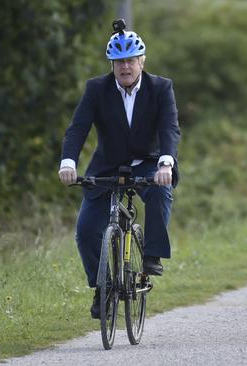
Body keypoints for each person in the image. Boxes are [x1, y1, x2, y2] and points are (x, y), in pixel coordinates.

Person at [58, 20, 180, 319]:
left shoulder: (161, 88)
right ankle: (103, 288)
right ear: (112, 64)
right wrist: (68, 162)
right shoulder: (96, 89)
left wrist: (166, 162)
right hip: (107, 165)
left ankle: (151, 255)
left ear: (141, 61)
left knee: (159, 193)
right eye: (118, 62)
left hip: (149, 161)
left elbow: (169, 128)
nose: (125, 67)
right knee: (86, 230)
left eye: (130, 61)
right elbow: (78, 128)